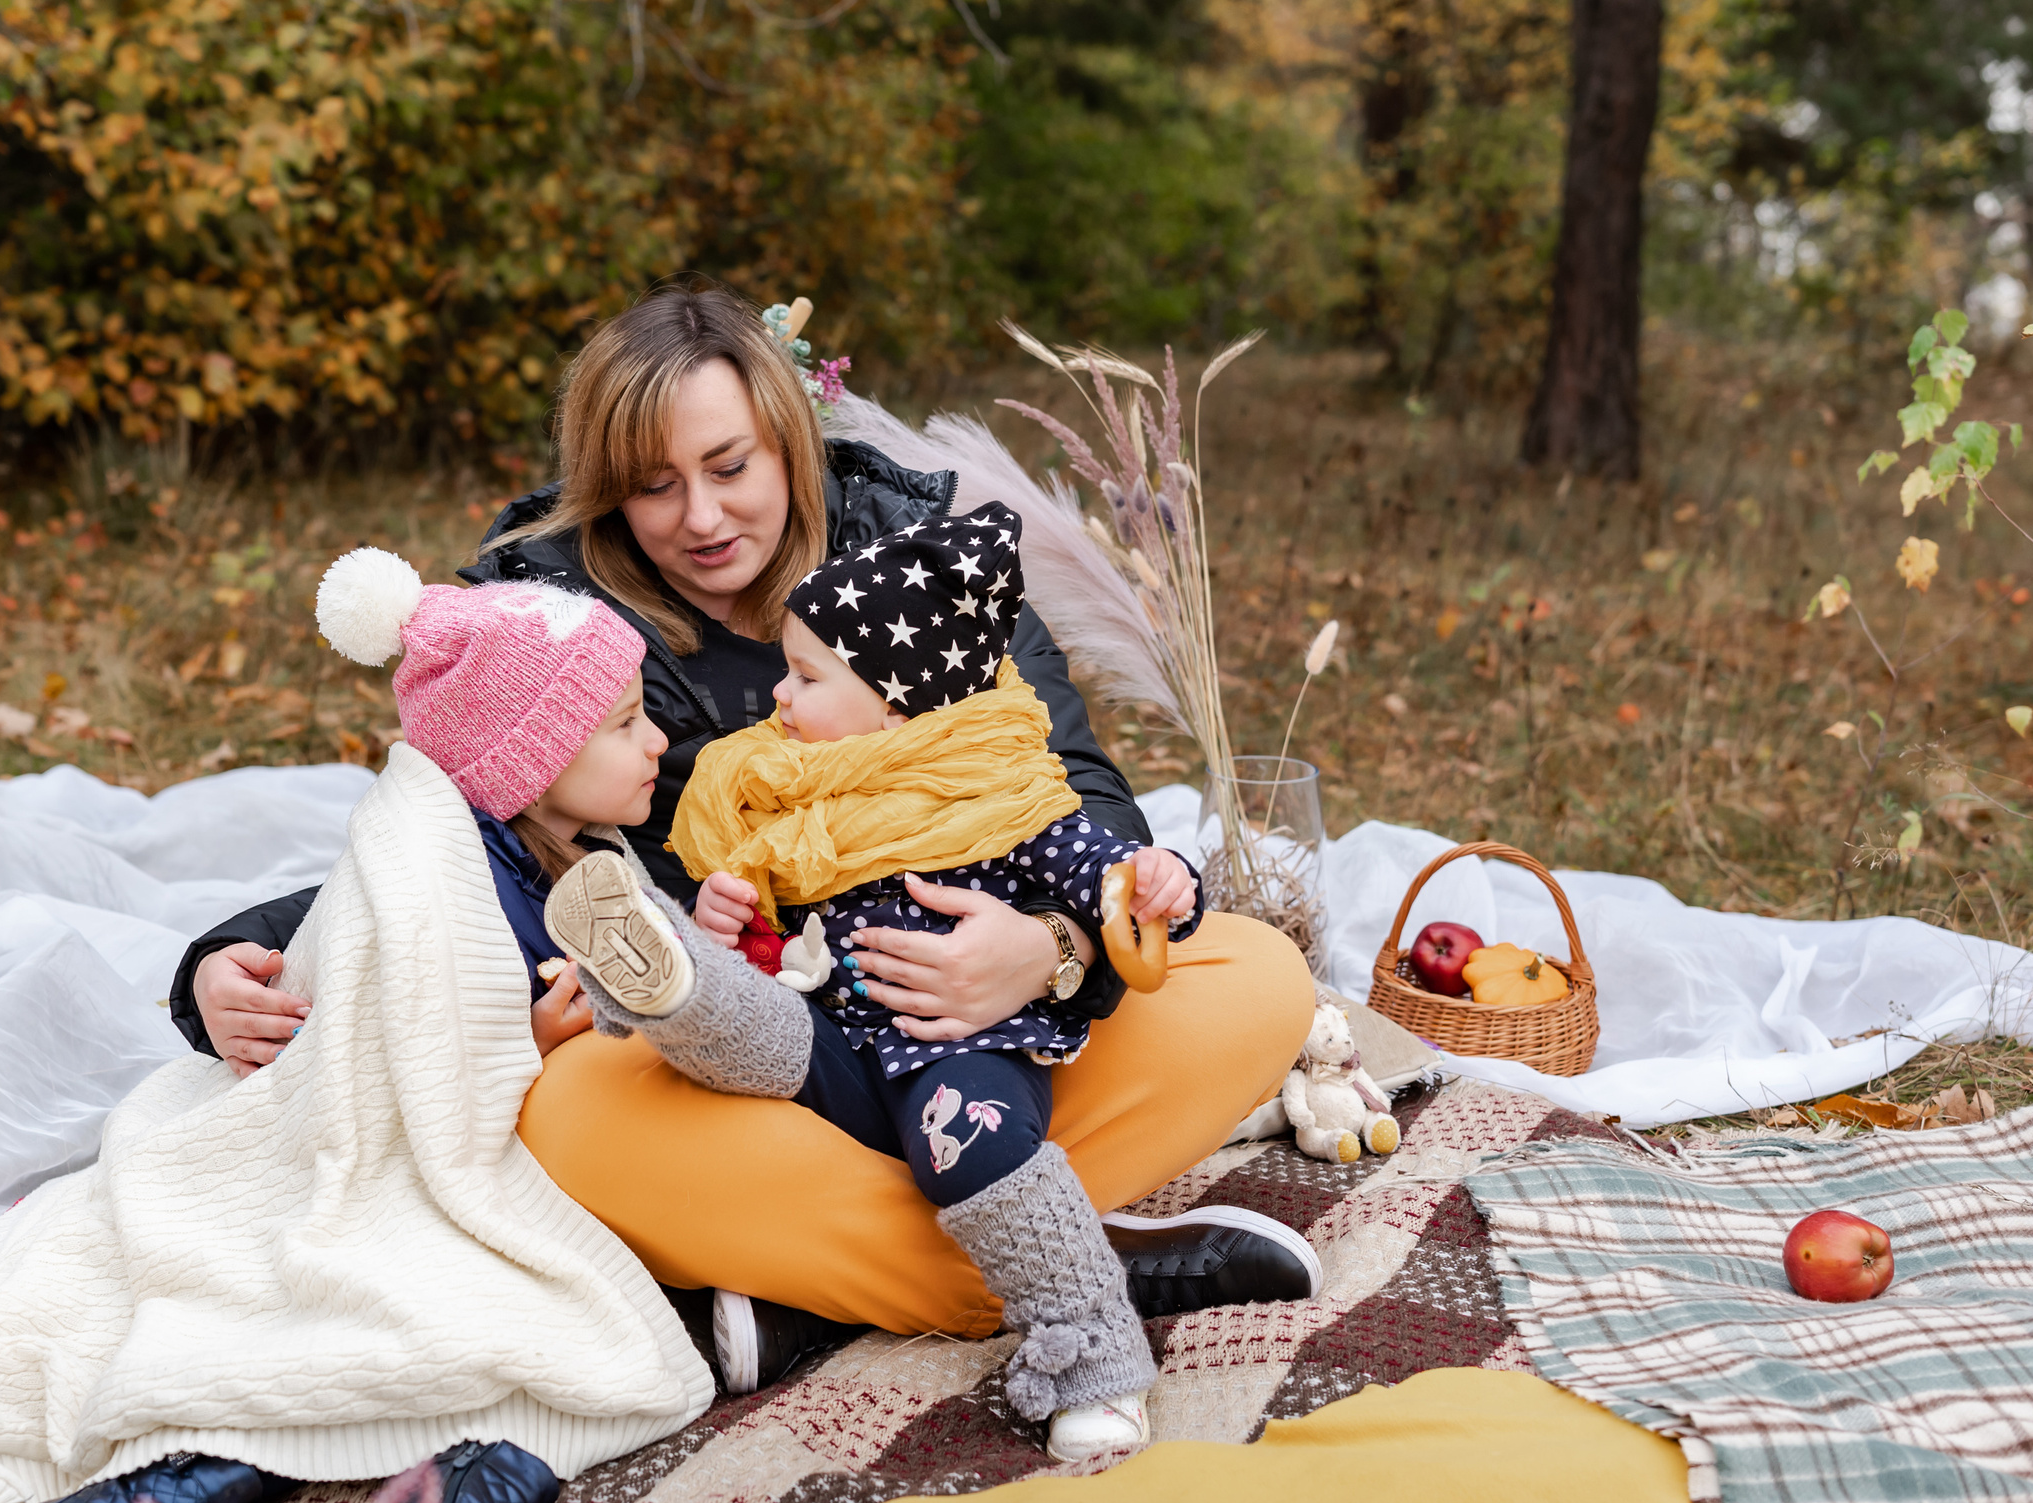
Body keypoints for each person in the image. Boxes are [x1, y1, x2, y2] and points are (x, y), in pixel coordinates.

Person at [169, 285, 1318, 1377]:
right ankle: (1061, 1263)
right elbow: (450, 837)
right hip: (757, 1042)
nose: (702, 517)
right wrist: (224, 960)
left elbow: (1076, 788)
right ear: (607, 487)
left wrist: (1049, 950)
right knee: (566, 1113)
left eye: (729, 466)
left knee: (1257, 975)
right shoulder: (554, 621)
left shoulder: (924, 553)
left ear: (786, 439)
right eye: (654, 485)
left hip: (985, 1020)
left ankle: (811, 1287)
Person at [541, 505, 1305, 1462]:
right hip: (831, 1048)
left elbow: (1118, 883)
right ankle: (673, 982)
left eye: (806, 678)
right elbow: (785, 938)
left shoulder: (1008, 799)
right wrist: (727, 926)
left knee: (969, 1146)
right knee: (736, 1041)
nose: (777, 697)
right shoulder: (794, 794)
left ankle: (1091, 1349)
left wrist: (1142, 894)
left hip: (959, 1052)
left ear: (897, 707)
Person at [0, 552, 682, 1503]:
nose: (658, 740)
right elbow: (403, 1047)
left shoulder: (569, 854)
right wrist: (528, 1045)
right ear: (533, 755)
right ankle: (143, 1502)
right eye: (624, 723)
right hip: (336, 1156)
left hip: (472, 1153)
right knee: (500, 1313)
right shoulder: (436, 870)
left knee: (526, 1316)